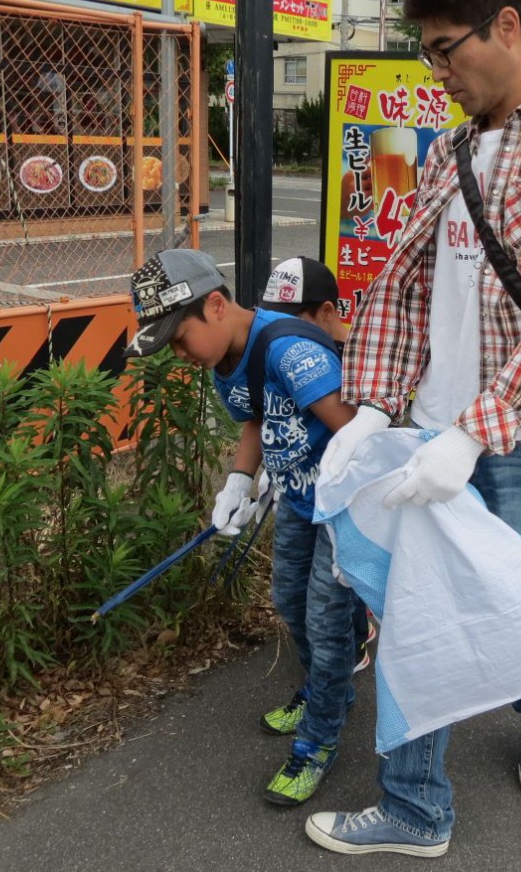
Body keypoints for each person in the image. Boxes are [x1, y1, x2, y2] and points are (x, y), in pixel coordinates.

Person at [303, 0, 521, 857]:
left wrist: (477, 432)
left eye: (446, 48)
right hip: (429, 430)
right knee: (419, 613)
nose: (436, 70)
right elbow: (404, 286)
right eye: (429, 53)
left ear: (507, 27)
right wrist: (371, 407)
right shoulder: (449, 150)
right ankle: (415, 808)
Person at [124, 249, 361, 808]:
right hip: (298, 504)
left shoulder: (290, 349)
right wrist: (240, 482)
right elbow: (256, 418)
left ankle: (319, 740)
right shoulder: (221, 362)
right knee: (288, 599)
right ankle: (328, 690)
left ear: (214, 305)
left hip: (341, 510)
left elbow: (354, 430)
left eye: (179, 339)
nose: (179, 355)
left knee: (327, 625)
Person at [260, 256, 376, 671]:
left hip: (346, 494)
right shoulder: (279, 352)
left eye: (293, 321)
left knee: (338, 586)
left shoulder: (363, 353)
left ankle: (355, 642)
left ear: (328, 311)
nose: (280, 333)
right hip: (301, 486)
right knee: (303, 585)